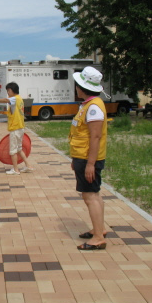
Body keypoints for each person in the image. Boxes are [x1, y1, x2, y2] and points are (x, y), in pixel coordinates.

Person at [69, 66, 108, 250]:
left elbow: (95, 136)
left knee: (90, 196)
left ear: (81, 87)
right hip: (82, 157)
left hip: (88, 158)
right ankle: (99, 229)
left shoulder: (93, 108)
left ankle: (98, 237)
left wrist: (90, 164)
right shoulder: (88, 105)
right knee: (94, 194)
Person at [0, 82, 33, 175]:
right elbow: (9, 110)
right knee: (19, 148)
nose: (7, 93)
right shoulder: (19, 99)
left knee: (13, 150)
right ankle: (28, 166)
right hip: (20, 127)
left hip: (15, 128)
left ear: (11, 90)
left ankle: (15, 169)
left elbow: (6, 100)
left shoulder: (15, 98)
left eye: (8, 91)